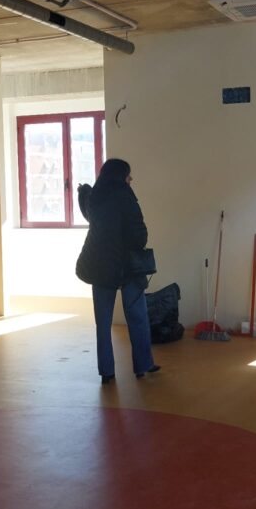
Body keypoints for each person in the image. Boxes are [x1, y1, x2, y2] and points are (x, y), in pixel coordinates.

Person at [76, 159, 160, 385]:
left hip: (99, 266)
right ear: (120, 176)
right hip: (127, 266)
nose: (130, 179)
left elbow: (88, 214)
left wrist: (83, 192)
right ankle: (143, 365)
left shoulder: (96, 196)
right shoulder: (126, 196)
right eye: (128, 175)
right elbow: (140, 235)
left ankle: (107, 372)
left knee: (103, 323)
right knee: (138, 317)